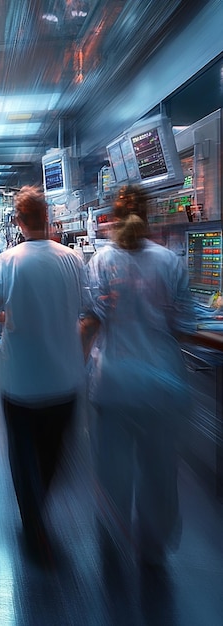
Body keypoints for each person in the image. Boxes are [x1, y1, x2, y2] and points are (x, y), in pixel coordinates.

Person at [82, 184, 196, 568]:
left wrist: (74, 371)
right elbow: (183, 325)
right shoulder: (170, 262)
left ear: (111, 218)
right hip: (162, 385)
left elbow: (90, 323)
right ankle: (155, 546)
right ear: (151, 217)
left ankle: (114, 541)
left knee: (113, 469)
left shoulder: (100, 262)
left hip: (113, 383)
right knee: (160, 468)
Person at [0, 186, 89, 563]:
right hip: (64, 375)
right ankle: (39, 510)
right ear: (49, 218)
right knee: (53, 449)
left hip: (21, 377)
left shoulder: (8, 261)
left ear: (19, 221)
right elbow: (89, 312)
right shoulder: (73, 259)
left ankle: (33, 520)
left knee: (23, 452)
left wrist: (12, 318)